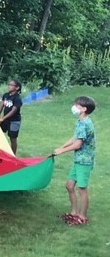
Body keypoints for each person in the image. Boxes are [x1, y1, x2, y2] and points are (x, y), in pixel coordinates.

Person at [53, 95, 96, 226]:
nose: (74, 107)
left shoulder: (85, 123)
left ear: (84, 109)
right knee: (70, 185)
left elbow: (78, 144)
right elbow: (75, 137)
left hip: (84, 161)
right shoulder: (81, 121)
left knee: (82, 189)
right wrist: (62, 146)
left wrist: (62, 151)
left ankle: (82, 217)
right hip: (78, 160)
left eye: (77, 105)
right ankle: (74, 213)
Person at [0, 79, 23, 155]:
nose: (9, 86)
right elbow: (1, 106)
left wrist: (3, 118)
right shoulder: (6, 95)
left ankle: (13, 155)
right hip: (5, 120)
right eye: (9, 84)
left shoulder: (17, 98)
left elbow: (13, 111)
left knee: (13, 138)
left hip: (14, 121)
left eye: (11, 85)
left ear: (17, 88)